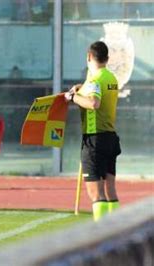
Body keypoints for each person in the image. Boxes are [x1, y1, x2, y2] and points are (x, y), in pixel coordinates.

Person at [64, 41, 121, 222]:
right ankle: (117, 232)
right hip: (111, 138)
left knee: (96, 193)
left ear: (89, 57)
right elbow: (95, 89)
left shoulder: (95, 80)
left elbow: (93, 103)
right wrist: (81, 89)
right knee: (110, 188)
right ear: (107, 58)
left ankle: (102, 236)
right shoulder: (110, 78)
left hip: (95, 139)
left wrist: (73, 97)